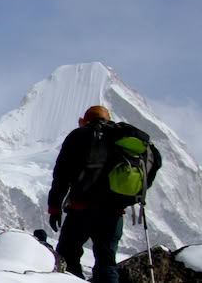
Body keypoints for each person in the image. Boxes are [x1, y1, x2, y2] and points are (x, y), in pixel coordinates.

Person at [47, 105, 163, 283]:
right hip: (113, 213)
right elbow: (155, 161)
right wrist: (140, 191)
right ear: (108, 119)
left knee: (67, 256)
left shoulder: (79, 135)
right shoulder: (122, 139)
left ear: (84, 120)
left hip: (81, 210)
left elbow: (61, 175)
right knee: (106, 262)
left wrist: (55, 207)